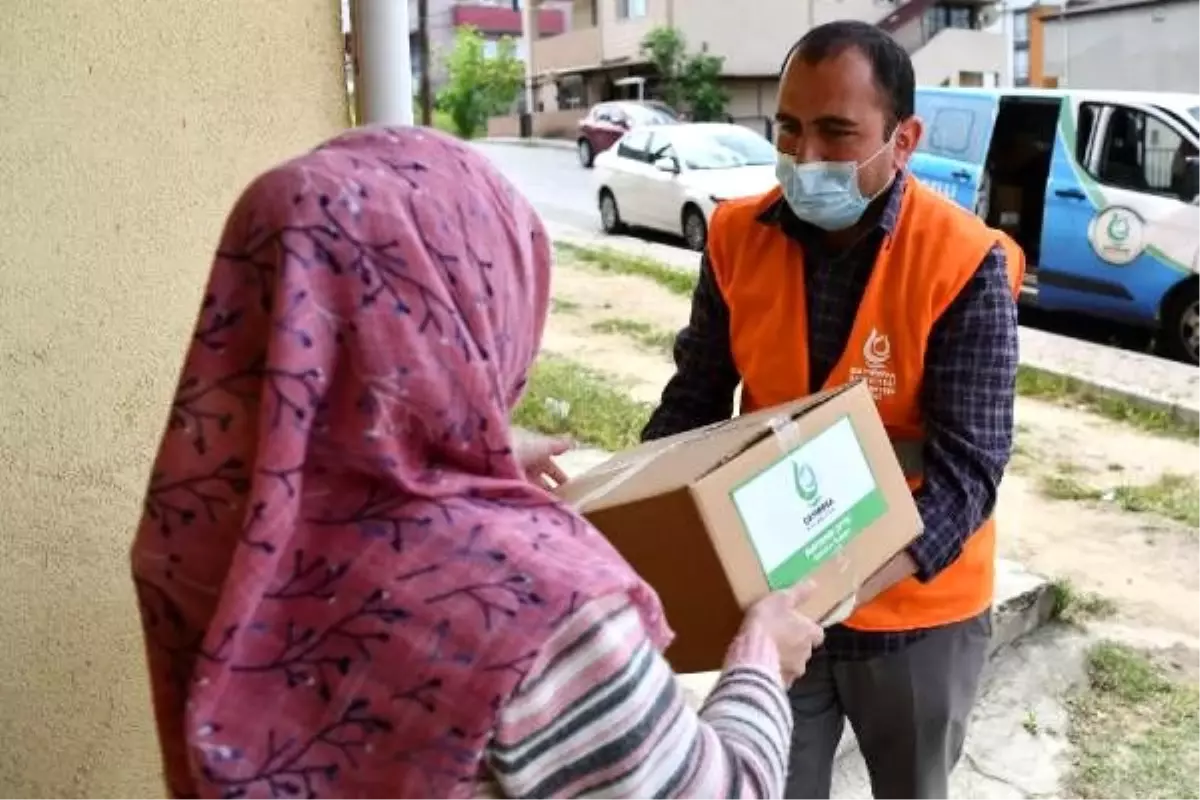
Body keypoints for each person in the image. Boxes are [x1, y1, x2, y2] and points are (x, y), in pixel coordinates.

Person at [130, 125, 828, 799]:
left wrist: (453, 462)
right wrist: (760, 665)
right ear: (472, 303)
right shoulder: (537, 605)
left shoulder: (204, 534)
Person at [641, 21, 1022, 800]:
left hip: (917, 608)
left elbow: (969, 473)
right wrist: (632, 518)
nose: (804, 157)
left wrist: (838, 581)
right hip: (770, 604)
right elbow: (695, 400)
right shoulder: (736, 236)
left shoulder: (962, 262)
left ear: (903, 139)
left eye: (837, 132)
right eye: (788, 128)